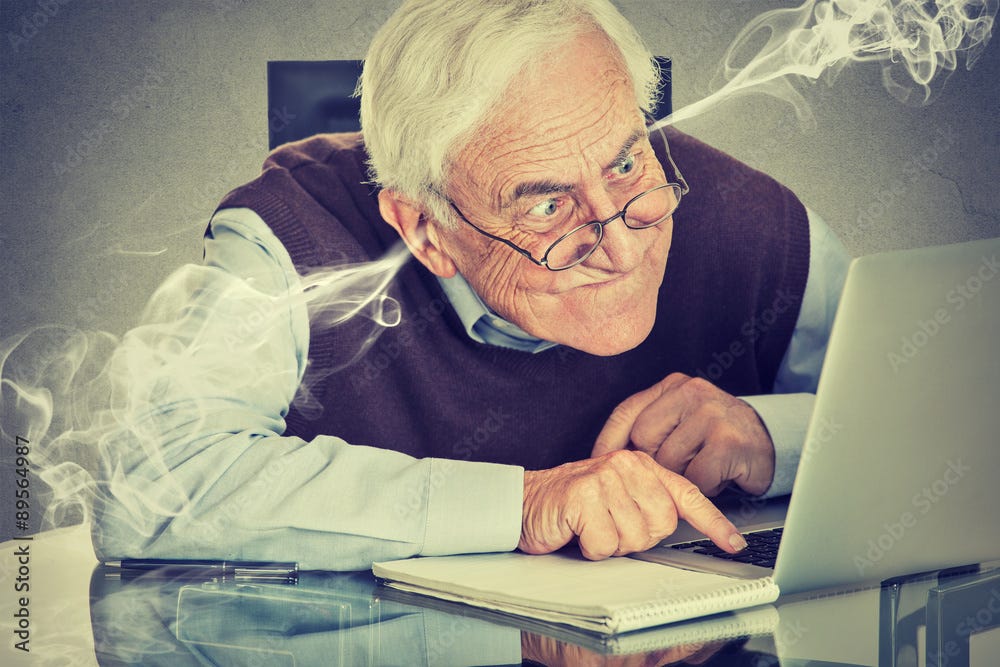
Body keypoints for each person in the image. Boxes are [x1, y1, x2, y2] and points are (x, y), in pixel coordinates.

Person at [92, 0, 849, 571]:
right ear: (425, 229)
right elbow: (150, 482)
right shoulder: (293, 238)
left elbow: (952, 425)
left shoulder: (753, 220)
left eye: (625, 163)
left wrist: (772, 434)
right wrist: (520, 504)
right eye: (548, 205)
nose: (620, 242)